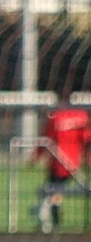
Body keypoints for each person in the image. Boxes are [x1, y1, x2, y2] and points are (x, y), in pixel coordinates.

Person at [34, 94, 91, 233]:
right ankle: (52, 219)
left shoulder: (55, 116)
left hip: (58, 163)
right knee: (55, 191)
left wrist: (37, 156)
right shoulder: (80, 115)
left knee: (53, 191)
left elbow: (46, 138)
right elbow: (87, 140)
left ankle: (50, 220)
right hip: (72, 163)